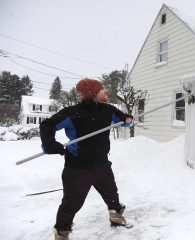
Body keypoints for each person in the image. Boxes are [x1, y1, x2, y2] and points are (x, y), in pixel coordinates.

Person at [40, 78, 133, 240]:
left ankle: (116, 216)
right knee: (72, 203)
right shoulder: (72, 112)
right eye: (102, 89)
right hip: (77, 167)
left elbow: (123, 121)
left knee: (112, 194)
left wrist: (127, 120)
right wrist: (49, 143)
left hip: (102, 164)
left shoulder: (108, 110)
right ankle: (62, 232)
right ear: (93, 93)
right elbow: (47, 125)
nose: (106, 91)